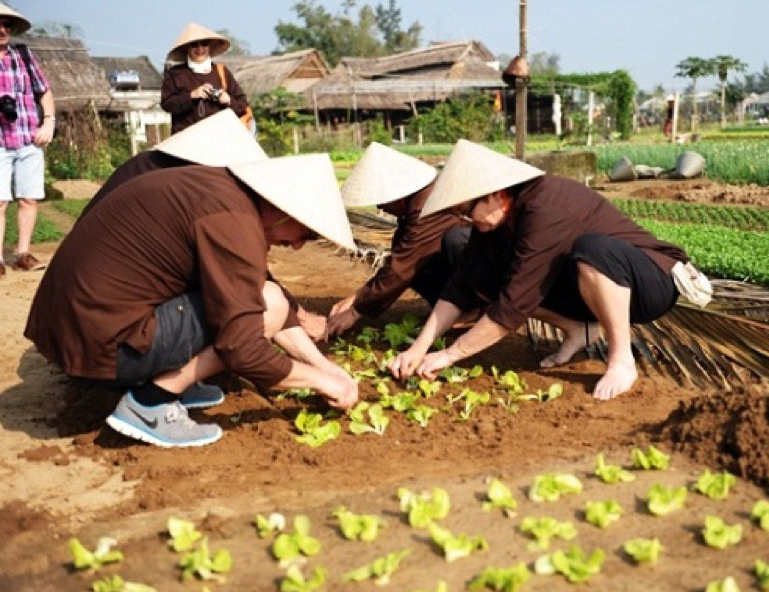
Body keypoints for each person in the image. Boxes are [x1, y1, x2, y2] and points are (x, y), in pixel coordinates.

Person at [25, 154, 359, 447]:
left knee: (261, 298)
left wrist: (326, 367)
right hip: (104, 346)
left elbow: (252, 290)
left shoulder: (221, 192)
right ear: (286, 211)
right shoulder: (234, 221)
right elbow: (242, 348)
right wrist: (321, 382)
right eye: (307, 233)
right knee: (265, 303)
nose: (300, 245)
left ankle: (166, 376)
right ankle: (151, 401)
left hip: (78, 330)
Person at [389, 139, 692, 401]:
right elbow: (461, 285)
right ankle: (578, 329)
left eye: (467, 211)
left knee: (593, 249)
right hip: (588, 286)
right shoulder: (497, 219)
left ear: (496, 194)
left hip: (651, 282)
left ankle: (621, 360)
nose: (468, 221)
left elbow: (514, 304)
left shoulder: (544, 208)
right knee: (483, 263)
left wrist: (449, 355)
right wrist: (419, 348)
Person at [80, 110, 330, 342]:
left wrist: (296, 313)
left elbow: (244, 266)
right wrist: (298, 317)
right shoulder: (200, 194)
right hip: (116, 326)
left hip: (90, 305)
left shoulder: (151, 167)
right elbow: (241, 273)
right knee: (237, 315)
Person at [327, 142, 471, 337]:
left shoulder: (429, 203)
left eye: (382, 199)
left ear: (398, 193)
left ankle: (474, 309)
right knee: (412, 257)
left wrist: (354, 311)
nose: (380, 207)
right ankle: (454, 308)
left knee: (455, 240)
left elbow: (402, 265)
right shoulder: (416, 203)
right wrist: (357, 297)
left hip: (492, 263)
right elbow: (400, 257)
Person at [0, 2, 55, 275]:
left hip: (29, 138)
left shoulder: (22, 55)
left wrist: (49, 122)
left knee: (29, 199)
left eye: (6, 25)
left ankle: (23, 254)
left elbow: (44, 92)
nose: (2, 30)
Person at [160, 22, 249, 134]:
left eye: (204, 44)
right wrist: (191, 95)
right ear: (187, 47)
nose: (200, 48)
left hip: (220, 137)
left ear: (210, 47)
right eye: (194, 45)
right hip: (185, 140)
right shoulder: (175, 73)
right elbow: (167, 104)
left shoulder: (222, 72)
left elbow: (242, 106)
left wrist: (228, 100)